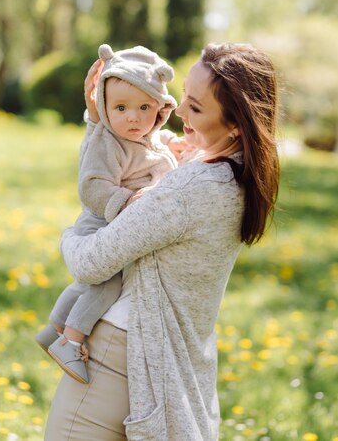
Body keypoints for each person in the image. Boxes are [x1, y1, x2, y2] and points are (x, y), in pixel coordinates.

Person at [44, 42, 280, 441]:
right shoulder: (232, 174)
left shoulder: (191, 187)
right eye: (183, 96)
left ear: (237, 124)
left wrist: (69, 234)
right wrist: (99, 118)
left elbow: (90, 262)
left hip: (115, 362)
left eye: (197, 107)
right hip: (158, 358)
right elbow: (131, 154)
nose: (178, 111)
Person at [36, 43, 188, 383]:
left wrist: (172, 145)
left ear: (161, 109)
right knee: (108, 282)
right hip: (101, 219)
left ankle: (54, 329)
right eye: (120, 107)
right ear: (103, 107)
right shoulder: (108, 141)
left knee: (84, 284)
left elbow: (154, 147)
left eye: (144, 107)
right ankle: (71, 341)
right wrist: (127, 200)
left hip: (112, 218)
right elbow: (91, 187)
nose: (133, 117)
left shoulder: (144, 136)